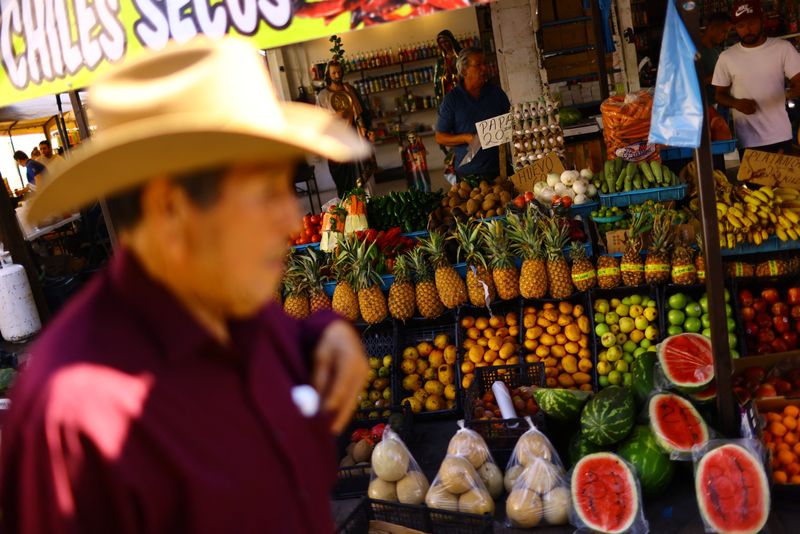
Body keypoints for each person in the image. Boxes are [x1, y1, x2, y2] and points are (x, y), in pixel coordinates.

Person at [0, 38, 370, 533]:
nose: (290, 218)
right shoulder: (76, 416)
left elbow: (284, 341)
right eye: (265, 192)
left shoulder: (234, 308)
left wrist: (327, 332)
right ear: (170, 209)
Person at [713, 0, 800, 153]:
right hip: (747, 140)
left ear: (762, 21)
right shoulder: (726, 57)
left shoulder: (783, 48)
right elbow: (719, 95)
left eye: (752, 23)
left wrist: (788, 93)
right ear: (735, 28)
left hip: (780, 135)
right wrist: (736, 103)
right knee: (752, 178)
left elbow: (798, 82)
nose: (747, 30)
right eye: (741, 26)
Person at [435, 47, 511, 180]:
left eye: (485, 64)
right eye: (478, 65)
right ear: (464, 70)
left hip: (500, 170)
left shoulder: (496, 93)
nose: (484, 69)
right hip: (468, 175)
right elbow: (440, 137)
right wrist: (467, 138)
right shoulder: (452, 100)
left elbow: (511, 120)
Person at [316, 60, 374, 197]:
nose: (337, 75)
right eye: (334, 73)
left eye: (339, 72)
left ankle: (362, 208)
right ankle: (348, 210)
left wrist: (365, 128)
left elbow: (362, 113)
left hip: (354, 138)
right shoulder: (323, 95)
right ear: (328, 75)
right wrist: (336, 115)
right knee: (343, 183)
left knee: (360, 181)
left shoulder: (350, 90)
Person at [700, 13, 731, 108]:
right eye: (724, 32)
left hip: (722, 102)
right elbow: (689, 84)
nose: (726, 37)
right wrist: (719, 76)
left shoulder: (716, 49)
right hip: (707, 106)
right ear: (712, 28)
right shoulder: (694, 52)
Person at [434, 29, 462, 108]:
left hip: (461, 88)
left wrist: (456, 76)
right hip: (449, 92)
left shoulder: (460, 55)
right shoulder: (441, 60)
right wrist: (444, 78)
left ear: (451, 41)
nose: (444, 44)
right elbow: (437, 80)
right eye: (441, 43)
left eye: (446, 41)